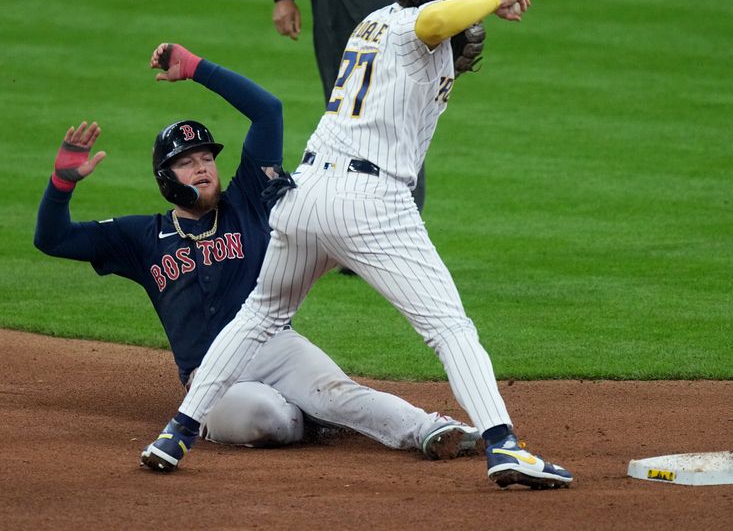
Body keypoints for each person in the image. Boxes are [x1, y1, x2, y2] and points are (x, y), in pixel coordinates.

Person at [143, 0, 573, 490]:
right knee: (449, 328)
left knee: (260, 315)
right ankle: (504, 446)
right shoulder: (419, 24)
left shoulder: (372, 21)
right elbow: (435, 17)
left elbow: (424, 45)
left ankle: (176, 433)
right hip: (370, 204)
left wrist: (452, 44)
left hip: (307, 193)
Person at [33, 42, 482, 470]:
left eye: (206, 157)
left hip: (274, 346)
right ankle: (306, 415)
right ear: (165, 177)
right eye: (187, 162)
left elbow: (268, 110)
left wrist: (195, 68)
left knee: (338, 392)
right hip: (210, 377)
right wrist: (62, 185)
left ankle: (431, 428)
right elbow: (53, 239)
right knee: (271, 419)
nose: (203, 166)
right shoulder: (141, 236)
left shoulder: (248, 200)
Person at [267, 0, 489, 215]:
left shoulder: (378, 19)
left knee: (381, 116)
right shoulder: (403, 19)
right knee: (376, 115)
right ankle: (366, 228)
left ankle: (356, 226)